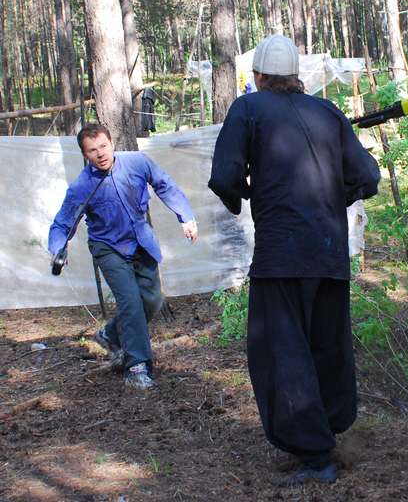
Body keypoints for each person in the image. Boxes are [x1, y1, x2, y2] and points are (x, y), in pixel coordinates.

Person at [208, 34, 380, 486]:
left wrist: (246, 194)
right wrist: (331, 199)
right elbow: (367, 175)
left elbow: (224, 176)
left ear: (258, 76)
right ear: (296, 76)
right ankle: (329, 432)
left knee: (283, 352)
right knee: (327, 345)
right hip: (330, 253)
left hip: (281, 254)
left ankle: (315, 456)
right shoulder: (328, 111)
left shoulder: (248, 108)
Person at [48, 123, 198, 390]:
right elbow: (62, 223)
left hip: (141, 242)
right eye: (92, 150)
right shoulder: (82, 186)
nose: (100, 154)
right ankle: (137, 367)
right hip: (109, 248)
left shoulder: (138, 163)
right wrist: (58, 248)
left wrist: (185, 216)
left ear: (112, 143)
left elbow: (165, 185)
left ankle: (109, 334)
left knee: (152, 301)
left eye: (103, 146)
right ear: (85, 154)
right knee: (130, 302)